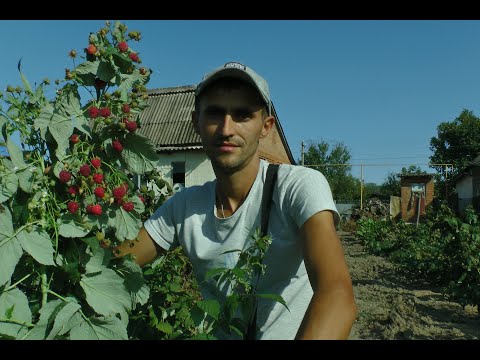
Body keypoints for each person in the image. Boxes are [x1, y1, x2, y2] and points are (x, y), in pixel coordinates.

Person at [117, 61, 358, 340]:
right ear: (196, 122)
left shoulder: (297, 186)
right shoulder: (183, 207)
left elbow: (337, 296)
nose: (226, 129)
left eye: (242, 115)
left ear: (265, 127)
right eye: (215, 114)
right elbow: (119, 263)